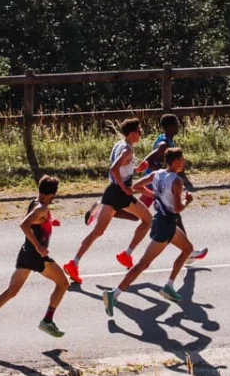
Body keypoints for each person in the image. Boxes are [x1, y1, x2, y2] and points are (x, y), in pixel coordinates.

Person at [0, 175, 68, 344]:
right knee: (63, 283)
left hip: (25, 254)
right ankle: (47, 320)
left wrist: (51, 223)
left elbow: (36, 223)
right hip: (36, 256)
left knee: (12, 291)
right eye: (54, 196)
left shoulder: (35, 203)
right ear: (51, 195)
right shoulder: (42, 209)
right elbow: (24, 224)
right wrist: (39, 246)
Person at [102, 147, 196, 314]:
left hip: (163, 221)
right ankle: (113, 295)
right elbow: (177, 208)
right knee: (143, 264)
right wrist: (187, 201)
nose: (184, 163)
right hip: (166, 225)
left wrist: (156, 195)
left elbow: (137, 186)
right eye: (182, 160)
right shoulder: (177, 181)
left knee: (188, 249)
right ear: (175, 163)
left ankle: (169, 286)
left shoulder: (157, 174)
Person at [62, 118, 152, 286]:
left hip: (111, 191)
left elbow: (121, 168)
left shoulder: (120, 145)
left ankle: (73, 263)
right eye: (139, 131)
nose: (141, 134)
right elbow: (114, 169)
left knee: (98, 231)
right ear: (132, 134)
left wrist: (137, 169)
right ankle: (127, 254)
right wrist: (124, 188)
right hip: (119, 193)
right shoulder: (127, 150)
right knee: (147, 220)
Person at [141, 114, 207, 263]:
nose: (178, 126)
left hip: (158, 183)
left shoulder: (166, 140)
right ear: (170, 126)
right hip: (156, 184)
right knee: (134, 213)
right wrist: (160, 172)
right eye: (176, 123)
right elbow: (147, 161)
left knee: (174, 216)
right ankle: (103, 207)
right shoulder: (164, 143)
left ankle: (188, 251)